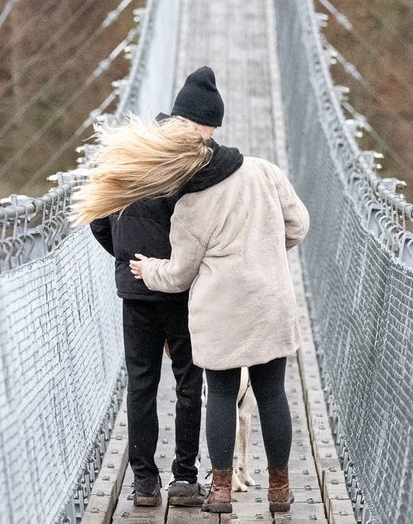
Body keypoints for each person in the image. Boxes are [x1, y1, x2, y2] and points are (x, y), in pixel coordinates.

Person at [73, 66, 309, 515]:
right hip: (239, 297)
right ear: (209, 128)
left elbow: (115, 227)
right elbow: (296, 225)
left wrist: (133, 263)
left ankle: (180, 487)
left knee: (165, 387)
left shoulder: (157, 170)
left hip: (175, 295)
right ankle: (242, 485)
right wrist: (260, 249)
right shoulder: (238, 170)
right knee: (248, 391)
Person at [80, 67, 240, 509]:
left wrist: (128, 259)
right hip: (180, 288)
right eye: (209, 131)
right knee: (190, 381)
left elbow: (98, 218)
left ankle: (145, 483)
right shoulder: (194, 160)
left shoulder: (133, 149)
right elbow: (223, 177)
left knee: (141, 384)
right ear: (199, 123)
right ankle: (184, 478)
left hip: (135, 289)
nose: (210, 140)